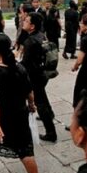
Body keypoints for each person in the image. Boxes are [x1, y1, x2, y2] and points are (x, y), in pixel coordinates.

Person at [0, 33, 41, 173]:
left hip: (2, 116)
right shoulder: (20, 67)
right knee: (24, 148)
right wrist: (31, 105)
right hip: (20, 113)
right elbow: (29, 91)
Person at [21, 12, 56, 142]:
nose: (24, 22)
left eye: (26, 21)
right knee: (43, 99)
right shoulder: (41, 36)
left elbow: (26, 62)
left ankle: (51, 132)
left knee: (39, 103)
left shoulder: (30, 40)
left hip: (34, 76)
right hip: (43, 73)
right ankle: (50, 117)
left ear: (32, 26)